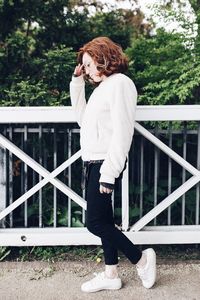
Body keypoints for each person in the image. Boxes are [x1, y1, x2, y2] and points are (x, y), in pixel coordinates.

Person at [70, 36, 156, 293]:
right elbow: (83, 121)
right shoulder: (102, 88)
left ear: (103, 57)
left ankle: (141, 259)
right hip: (92, 162)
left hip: (104, 163)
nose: (86, 70)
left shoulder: (120, 84)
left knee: (94, 223)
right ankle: (110, 274)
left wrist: (109, 173)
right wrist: (76, 83)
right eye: (83, 66)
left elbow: (123, 131)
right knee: (104, 220)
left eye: (88, 64)